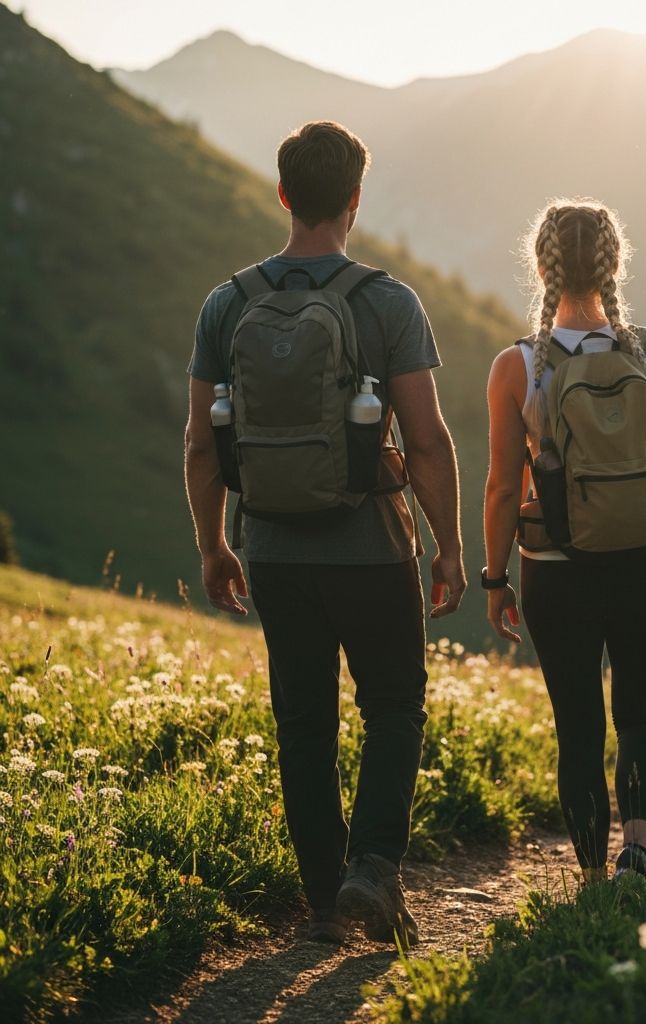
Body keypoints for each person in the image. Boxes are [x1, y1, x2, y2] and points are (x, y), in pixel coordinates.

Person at [184, 120, 467, 945]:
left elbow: (202, 441)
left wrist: (214, 545)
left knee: (303, 722)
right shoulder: (386, 301)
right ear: (353, 200)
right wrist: (449, 546)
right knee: (394, 708)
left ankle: (320, 905)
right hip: (374, 547)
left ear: (283, 195)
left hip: (271, 545)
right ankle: (373, 872)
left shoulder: (226, 303)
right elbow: (426, 440)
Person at [482, 199, 646, 884]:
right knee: (644, 715)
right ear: (616, 264)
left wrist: (495, 579)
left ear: (540, 265)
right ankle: (638, 849)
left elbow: (501, 488)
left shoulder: (518, 367)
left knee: (579, 726)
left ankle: (589, 878)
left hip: (558, 571)